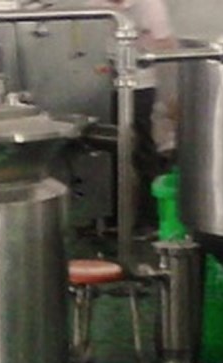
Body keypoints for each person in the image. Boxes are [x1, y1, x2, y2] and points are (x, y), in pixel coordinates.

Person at [88, 0, 177, 230]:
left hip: (140, 85)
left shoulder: (150, 5)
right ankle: (114, 215)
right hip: (106, 83)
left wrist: (140, 42)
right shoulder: (96, 3)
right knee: (112, 147)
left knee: (141, 149)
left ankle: (149, 218)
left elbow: (167, 44)